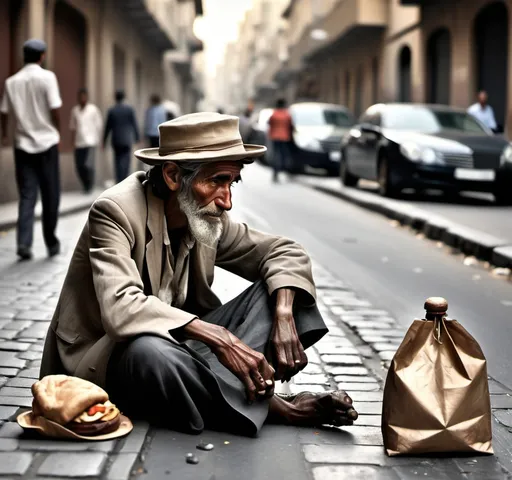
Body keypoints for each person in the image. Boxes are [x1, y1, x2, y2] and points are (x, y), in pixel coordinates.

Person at [40, 112, 358, 436]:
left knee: (283, 287)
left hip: (182, 355)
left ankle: (215, 394)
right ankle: (280, 408)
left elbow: (286, 253)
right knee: (149, 352)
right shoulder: (115, 211)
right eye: (217, 181)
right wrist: (219, 338)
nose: (228, 201)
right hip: (109, 358)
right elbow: (121, 308)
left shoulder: (206, 219)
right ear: (174, 175)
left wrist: (284, 312)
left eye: (232, 183)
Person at [0, 39, 61, 261]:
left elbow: (4, 112)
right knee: (50, 194)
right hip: (47, 144)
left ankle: (24, 243)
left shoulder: (11, 81)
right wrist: (57, 129)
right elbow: (55, 109)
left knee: (27, 195)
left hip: (22, 146)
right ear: (42, 56)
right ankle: (51, 242)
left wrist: (6, 134)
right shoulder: (48, 77)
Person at [70, 88, 103, 193]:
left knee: (88, 165)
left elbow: (99, 125)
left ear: (87, 97)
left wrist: (99, 140)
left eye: (84, 96)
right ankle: (85, 184)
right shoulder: (75, 110)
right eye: (80, 97)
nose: (82, 98)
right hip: (79, 143)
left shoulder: (93, 109)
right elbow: (72, 127)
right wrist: (72, 141)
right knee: (79, 166)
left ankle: (89, 186)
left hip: (90, 142)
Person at [103, 90, 140, 183]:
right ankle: (125, 179)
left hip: (116, 139)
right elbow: (134, 124)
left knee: (117, 160)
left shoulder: (112, 110)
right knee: (126, 160)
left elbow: (107, 127)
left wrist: (104, 141)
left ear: (115, 97)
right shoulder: (129, 109)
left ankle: (119, 179)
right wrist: (137, 137)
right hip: (127, 139)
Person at [268, 98, 294, 182]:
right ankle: (286, 170)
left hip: (275, 137)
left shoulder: (274, 114)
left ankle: (276, 172)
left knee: (276, 155)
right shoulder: (287, 114)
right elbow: (291, 126)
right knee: (284, 155)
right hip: (284, 137)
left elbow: (269, 123)